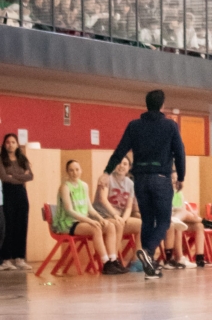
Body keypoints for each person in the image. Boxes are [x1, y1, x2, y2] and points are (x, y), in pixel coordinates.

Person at [105, 90, 186, 279]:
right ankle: (148, 252)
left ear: (147, 104)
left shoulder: (134, 126)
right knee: (164, 221)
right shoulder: (170, 125)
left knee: (148, 220)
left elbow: (120, 150)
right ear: (162, 105)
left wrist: (107, 171)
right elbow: (179, 153)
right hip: (161, 178)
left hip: (140, 180)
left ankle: (150, 269)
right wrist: (181, 176)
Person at [53, 159, 125, 273]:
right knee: (95, 228)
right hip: (69, 223)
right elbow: (69, 210)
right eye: (71, 170)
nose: (74, 172)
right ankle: (106, 263)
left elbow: (90, 208)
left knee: (110, 226)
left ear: (81, 170)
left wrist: (100, 219)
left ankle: (113, 260)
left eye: (77, 169)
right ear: (67, 172)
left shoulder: (84, 186)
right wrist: (90, 221)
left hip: (83, 221)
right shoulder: (65, 187)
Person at [93, 153, 144, 271]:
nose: (121, 166)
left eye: (125, 164)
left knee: (142, 224)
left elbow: (129, 207)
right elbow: (103, 200)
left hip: (119, 217)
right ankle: (113, 261)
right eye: (119, 163)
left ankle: (136, 261)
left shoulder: (130, 183)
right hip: (102, 215)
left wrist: (124, 219)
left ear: (129, 167)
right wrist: (116, 216)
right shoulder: (107, 178)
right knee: (118, 224)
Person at [0, 133, 33, 269]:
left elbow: (30, 176)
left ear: (17, 144)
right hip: (7, 193)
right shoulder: (1, 159)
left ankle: (19, 258)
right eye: (8, 142)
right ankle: (6, 259)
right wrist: (20, 176)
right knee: (8, 226)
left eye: (13, 142)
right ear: (4, 144)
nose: (10, 145)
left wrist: (13, 175)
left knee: (21, 224)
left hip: (21, 193)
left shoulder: (22, 159)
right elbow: (4, 177)